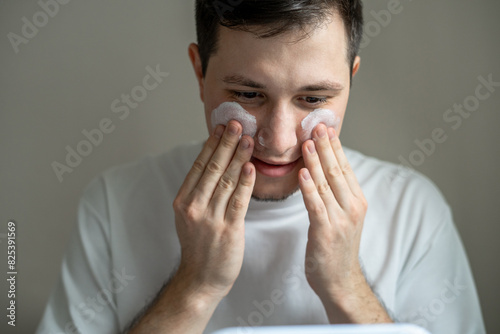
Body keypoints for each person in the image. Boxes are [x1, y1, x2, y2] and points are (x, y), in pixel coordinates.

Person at [36, 1, 485, 333]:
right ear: (199, 73)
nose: (279, 140)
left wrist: (348, 288)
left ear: (351, 80)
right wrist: (195, 287)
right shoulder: (113, 204)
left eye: (313, 98)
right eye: (249, 95)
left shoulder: (413, 208)